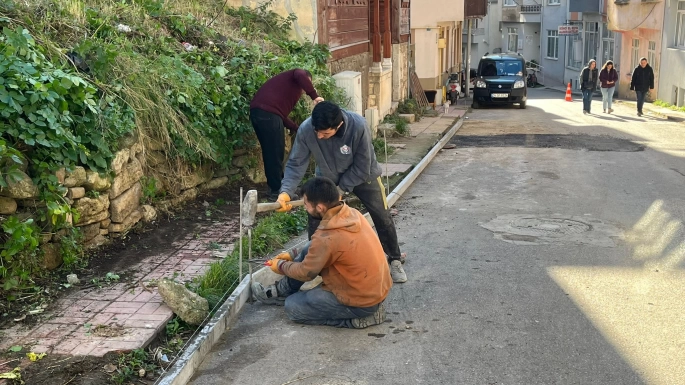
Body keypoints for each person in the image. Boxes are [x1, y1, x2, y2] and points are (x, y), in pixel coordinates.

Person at [275, 101, 408, 283]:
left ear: (338, 125)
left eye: (325, 133)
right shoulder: (307, 129)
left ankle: (394, 259)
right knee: (317, 216)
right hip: (328, 177)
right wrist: (286, 192)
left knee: (382, 216)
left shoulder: (358, 126)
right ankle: (317, 265)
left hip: (364, 176)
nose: (320, 137)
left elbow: (363, 166)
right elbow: (296, 163)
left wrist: (340, 190)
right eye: (317, 132)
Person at [251, 176, 391, 329]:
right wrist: (293, 254)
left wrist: (281, 266)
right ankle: (281, 291)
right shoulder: (350, 214)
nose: (305, 208)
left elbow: (306, 272)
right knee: (309, 246)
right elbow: (318, 248)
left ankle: (356, 320)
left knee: (293, 306)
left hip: (361, 301)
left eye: (306, 204)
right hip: (374, 290)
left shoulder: (328, 236)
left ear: (320, 208)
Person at [250, 69, 325, 199]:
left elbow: (281, 117)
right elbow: (299, 73)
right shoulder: (296, 75)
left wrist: (298, 128)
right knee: (275, 152)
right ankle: (277, 190)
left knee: (271, 152)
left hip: (258, 113)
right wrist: (314, 95)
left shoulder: (283, 93)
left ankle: (277, 186)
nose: (303, 89)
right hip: (268, 115)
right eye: (307, 83)